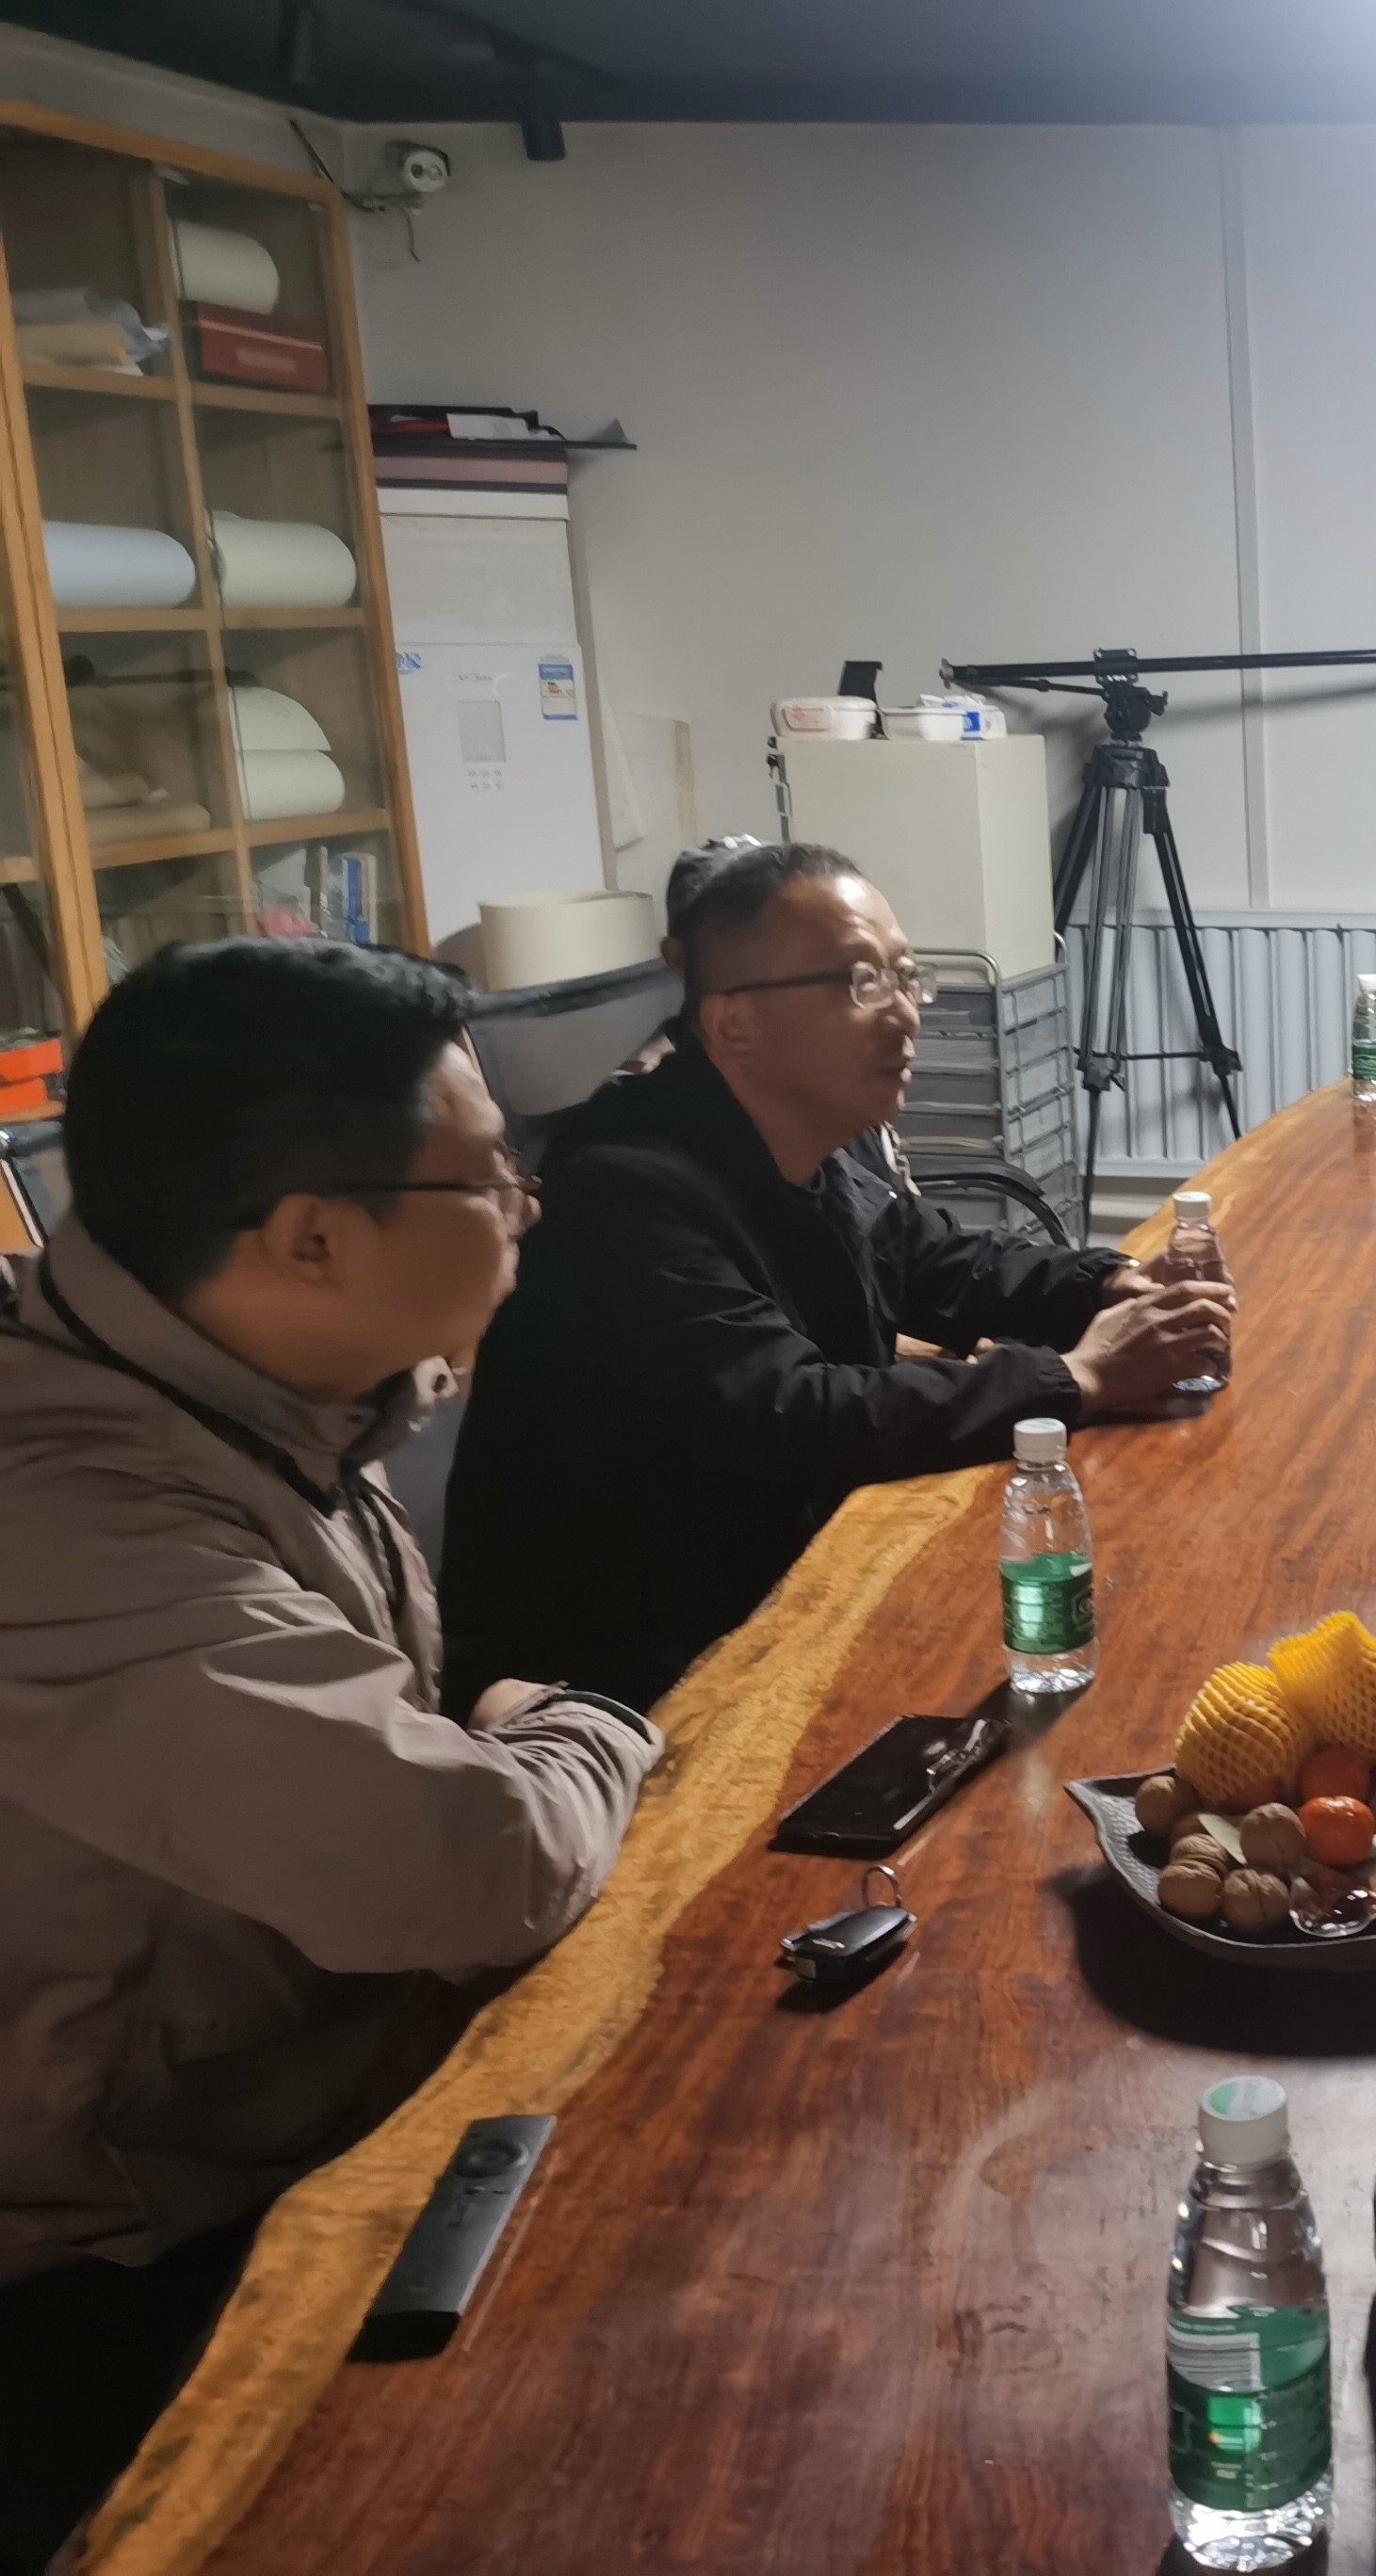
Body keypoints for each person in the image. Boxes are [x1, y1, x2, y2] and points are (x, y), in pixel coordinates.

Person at [0, 942, 657, 2574]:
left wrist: (490, 1750)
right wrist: (600, 1718)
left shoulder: (263, 1387)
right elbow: (474, 1864)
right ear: (310, 1237)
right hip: (117, 2274)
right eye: (489, 1173)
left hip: (301, 2107)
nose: (525, 1203)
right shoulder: (68, 1517)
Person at [440, 844, 1235, 1714]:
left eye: (906, 976)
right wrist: (1076, 1378)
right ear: (734, 1023)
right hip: (624, 1687)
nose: (905, 1013)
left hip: (788, 1582)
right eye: (861, 983)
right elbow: (799, 1416)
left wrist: (1114, 1285)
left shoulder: (819, 1136)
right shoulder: (622, 1195)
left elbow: (940, 1263)